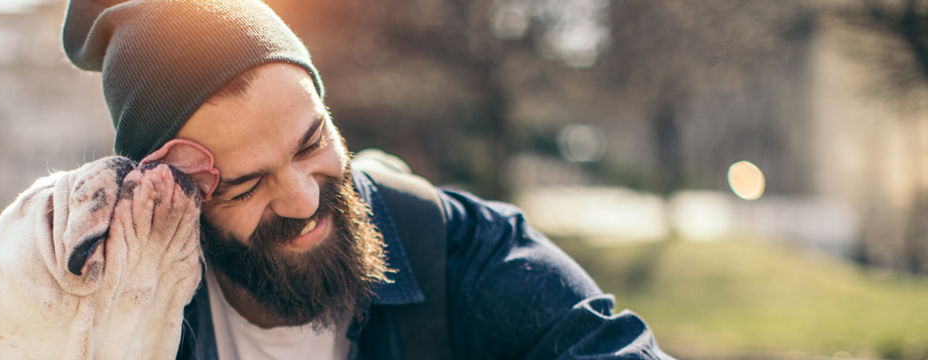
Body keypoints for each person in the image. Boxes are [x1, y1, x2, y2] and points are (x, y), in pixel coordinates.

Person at [62, 0, 672, 359]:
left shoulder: (463, 254)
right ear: (174, 199)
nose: (303, 199)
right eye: (246, 186)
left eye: (313, 143)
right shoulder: (118, 317)